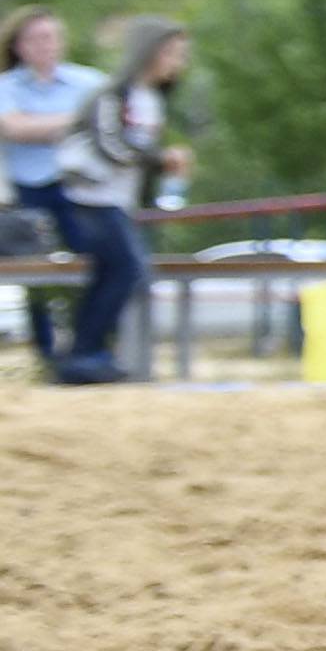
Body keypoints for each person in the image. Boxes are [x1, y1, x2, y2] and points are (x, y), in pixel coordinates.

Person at [40, 19, 193, 381]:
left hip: (119, 201)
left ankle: (89, 352)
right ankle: (84, 352)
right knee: (125, 270)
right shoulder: (112, 95)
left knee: (117, 272)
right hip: (93, 199)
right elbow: (111, 146)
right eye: (171, 52)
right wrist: (160, 160)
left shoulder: (150, 100)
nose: (178, 62)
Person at [0, 4, 99, 369]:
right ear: (19, 46)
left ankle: (88, 347)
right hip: (30, 190)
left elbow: (108, 126)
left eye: (50, 36)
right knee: (36, 275)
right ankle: (48, 354)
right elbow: (13, 129)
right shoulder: (7, 86)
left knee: (92, 267)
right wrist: (75, 124)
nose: (44, 45)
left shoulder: (88, 81)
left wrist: (37, 126)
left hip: (80, 188)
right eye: (35, 38)